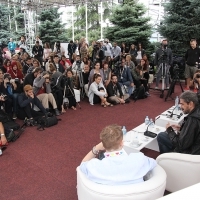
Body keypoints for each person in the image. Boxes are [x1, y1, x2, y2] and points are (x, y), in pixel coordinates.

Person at [80, 124, 156, 185]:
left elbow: (82, 165)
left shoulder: (95, 166)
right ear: (122, 143)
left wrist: (96, 148)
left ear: (103, 145)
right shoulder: (139, 158)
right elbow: (153, 163)